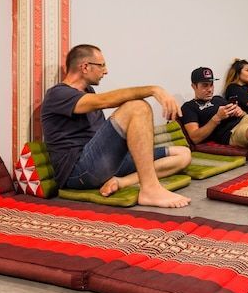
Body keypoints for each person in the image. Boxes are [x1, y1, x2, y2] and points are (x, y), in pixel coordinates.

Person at [40, 44, 192, 208]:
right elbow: (104, 101)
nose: (105, 71)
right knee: (137, 107)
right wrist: (154, 90)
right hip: (79, 171)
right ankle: (150, 189)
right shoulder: (58, 94)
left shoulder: (88, 91)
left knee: (183, 154)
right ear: (85, 67)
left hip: (104, 163)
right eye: (102, 65)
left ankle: (121, 181)